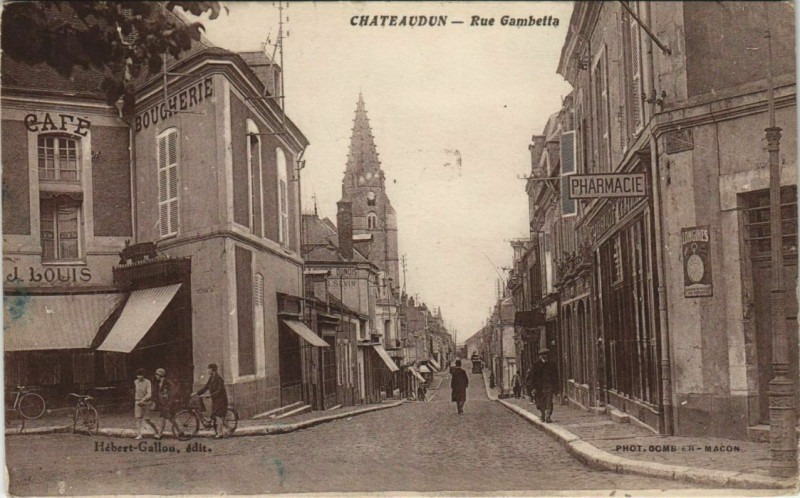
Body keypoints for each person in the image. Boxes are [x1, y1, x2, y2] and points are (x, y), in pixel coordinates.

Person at [192, 363, 229, 438]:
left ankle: (220, 433)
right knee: (217, 415)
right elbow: (206, 387)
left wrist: (210, 395)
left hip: (221, 399)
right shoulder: (211, 378)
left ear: (213, 370)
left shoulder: (219, 379)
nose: (208, 371)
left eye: (209, 369)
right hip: (216, 399)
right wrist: (197, 393)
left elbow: (219, 390)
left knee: (218, 416)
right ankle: (227, 429)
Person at [532, 348, 559, 423]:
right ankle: (543, 414)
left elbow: (555, 376)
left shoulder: (552, 364)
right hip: (539, 387)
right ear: (540, 356)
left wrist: (556, 387)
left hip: (549, 386)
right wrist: (533, 387)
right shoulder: (536, 365)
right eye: (543, 355)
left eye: (546, 355)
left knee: (549, 402)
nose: (545, 356)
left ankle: (548, 416)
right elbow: (533, 377)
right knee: (540, 403)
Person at [153, 367, 180, 439]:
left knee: (163, 419)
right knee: (171, 419)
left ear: (160, 375)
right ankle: (180, 432)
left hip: (168, 404)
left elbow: (173, 393)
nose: (156, 376)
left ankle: (159, 434)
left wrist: (169, 402)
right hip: (164, 404)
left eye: (157, 375)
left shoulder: (168, 383)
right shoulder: (160, 383)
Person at [133, 368, 154, 439]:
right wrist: (138, 400)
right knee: (138, 418)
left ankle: (156, 430)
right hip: (138, 401)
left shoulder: (148, 382)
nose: (139, 377)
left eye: (140, 375)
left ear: (143, 375)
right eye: (138, 375)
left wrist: (144, 399)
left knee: (147, 419)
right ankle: (139, 434)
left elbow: (149, 393)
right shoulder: (135, 382)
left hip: (146, 401)